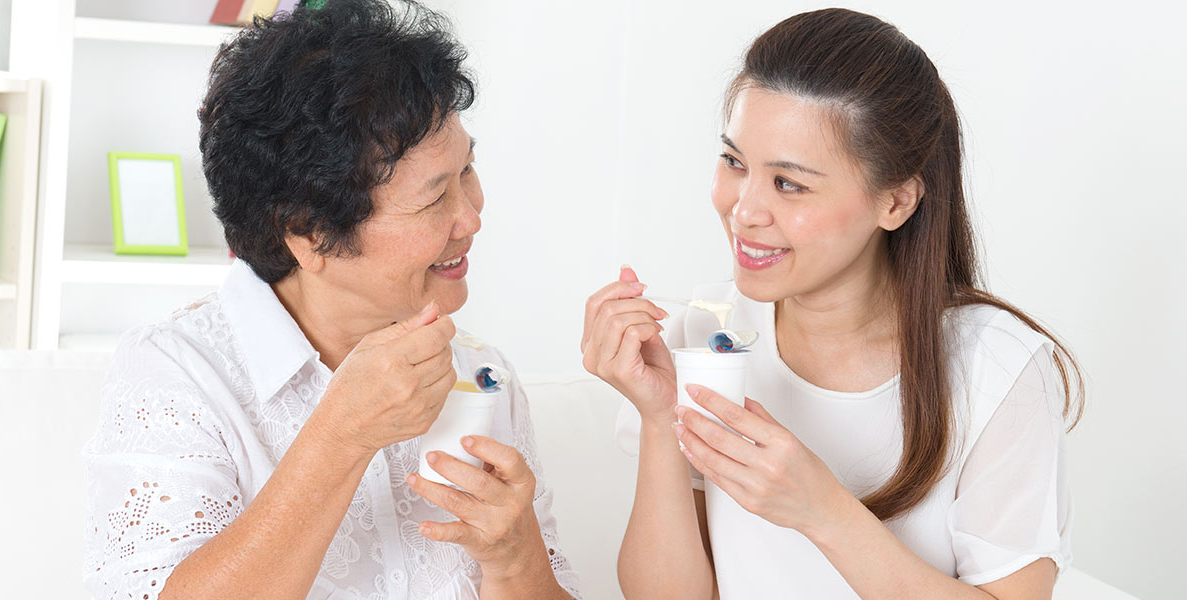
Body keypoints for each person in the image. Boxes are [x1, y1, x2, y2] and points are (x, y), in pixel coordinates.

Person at [83, 1, 580, 598]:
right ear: (308, 233)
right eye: (431, 200)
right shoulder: (178, 374)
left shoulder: (483, 376)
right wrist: (340, 437)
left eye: (467, 171)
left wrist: (515, 560)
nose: (471, 217)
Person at [582, 8, 1081, 599]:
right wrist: (662, 418)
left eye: (789, 183)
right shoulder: (703, 336)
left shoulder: (997, 371)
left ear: (896, 201)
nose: (744, 211)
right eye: (735, 162)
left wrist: (824, 510)